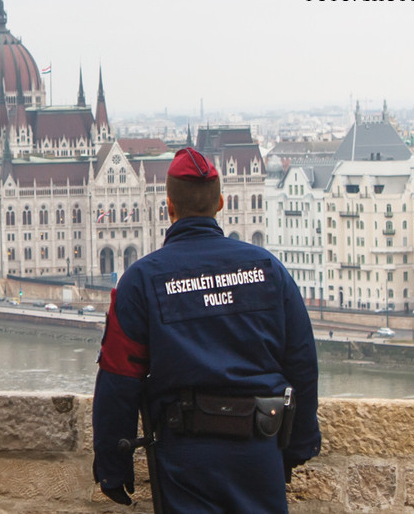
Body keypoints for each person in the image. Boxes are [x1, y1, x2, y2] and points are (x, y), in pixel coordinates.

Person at [92, 147, 320, 512]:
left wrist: (112, 465)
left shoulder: (141, 281)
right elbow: (302, 362)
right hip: (259, 449)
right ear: (221, 204)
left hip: (185, 459)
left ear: (168, 207)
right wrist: (299, 444)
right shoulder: (268, 269)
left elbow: (120, 378)